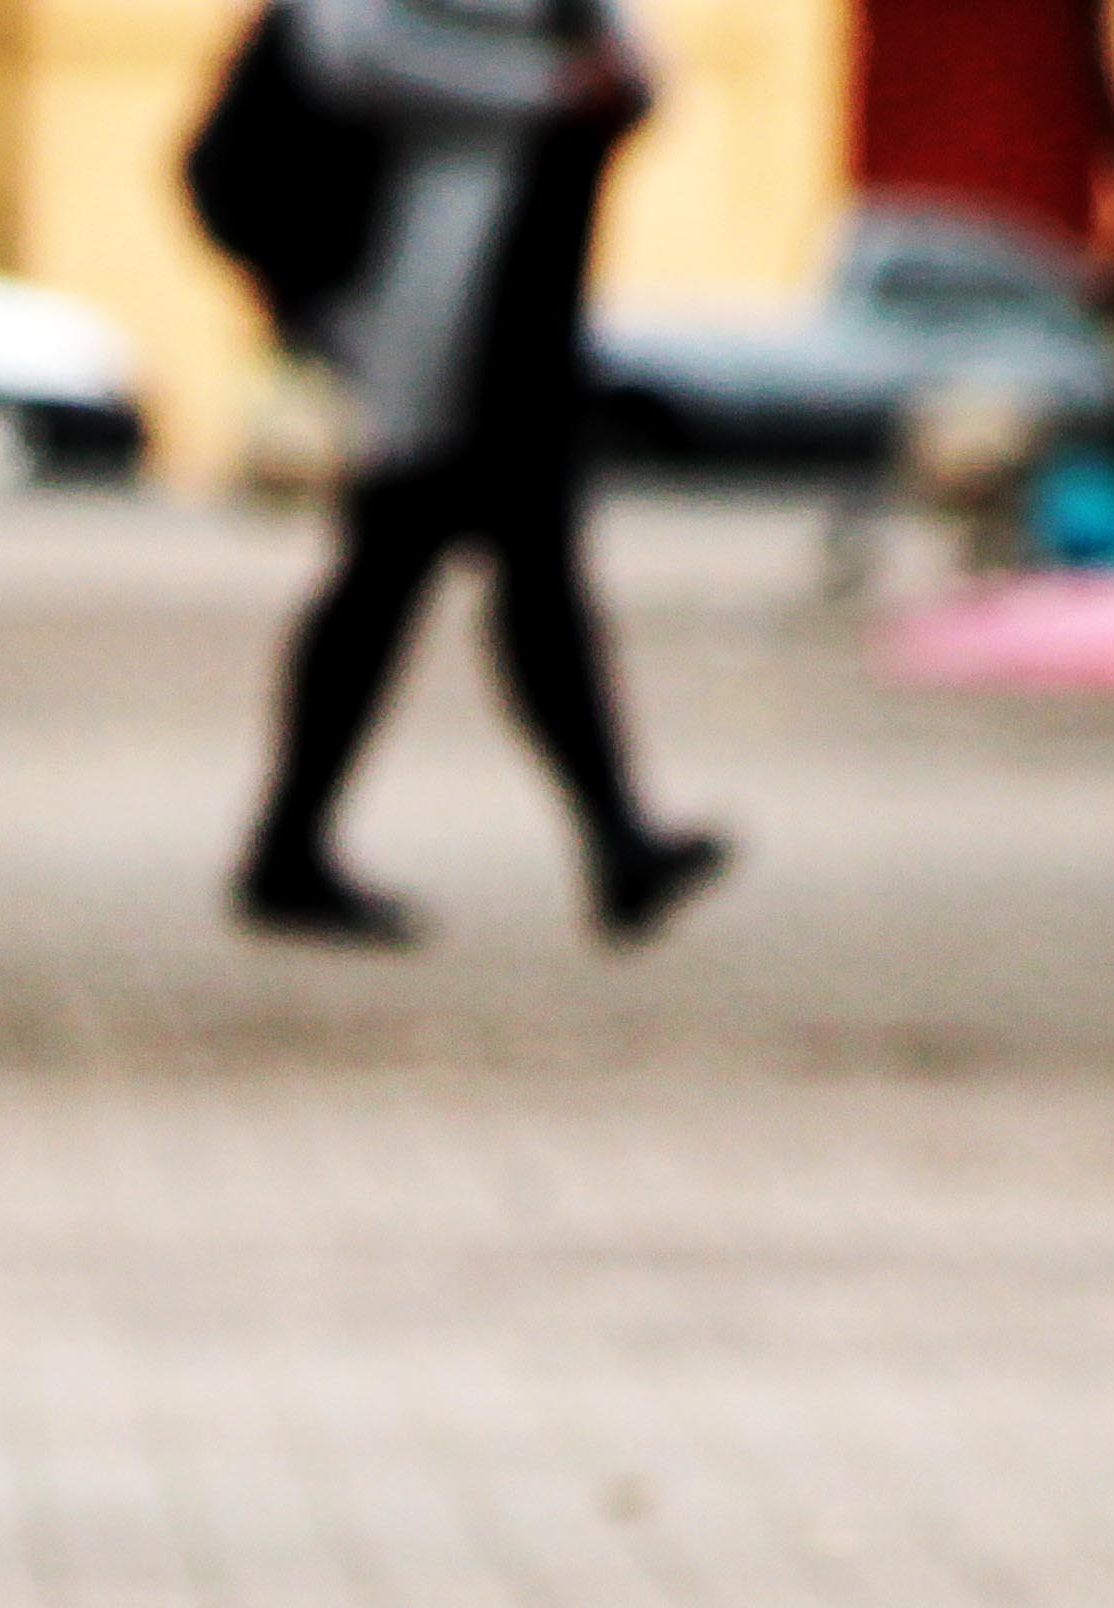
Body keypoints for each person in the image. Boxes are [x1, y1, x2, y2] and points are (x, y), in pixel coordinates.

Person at [239, 0, 728, 949]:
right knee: (466, 569)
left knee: (434, 572)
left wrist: (612, 85)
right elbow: (352, 53)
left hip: (528, 288)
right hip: (433, 299)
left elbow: (633, 65)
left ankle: (296, 845)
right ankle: (612, 839)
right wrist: (545, 87)